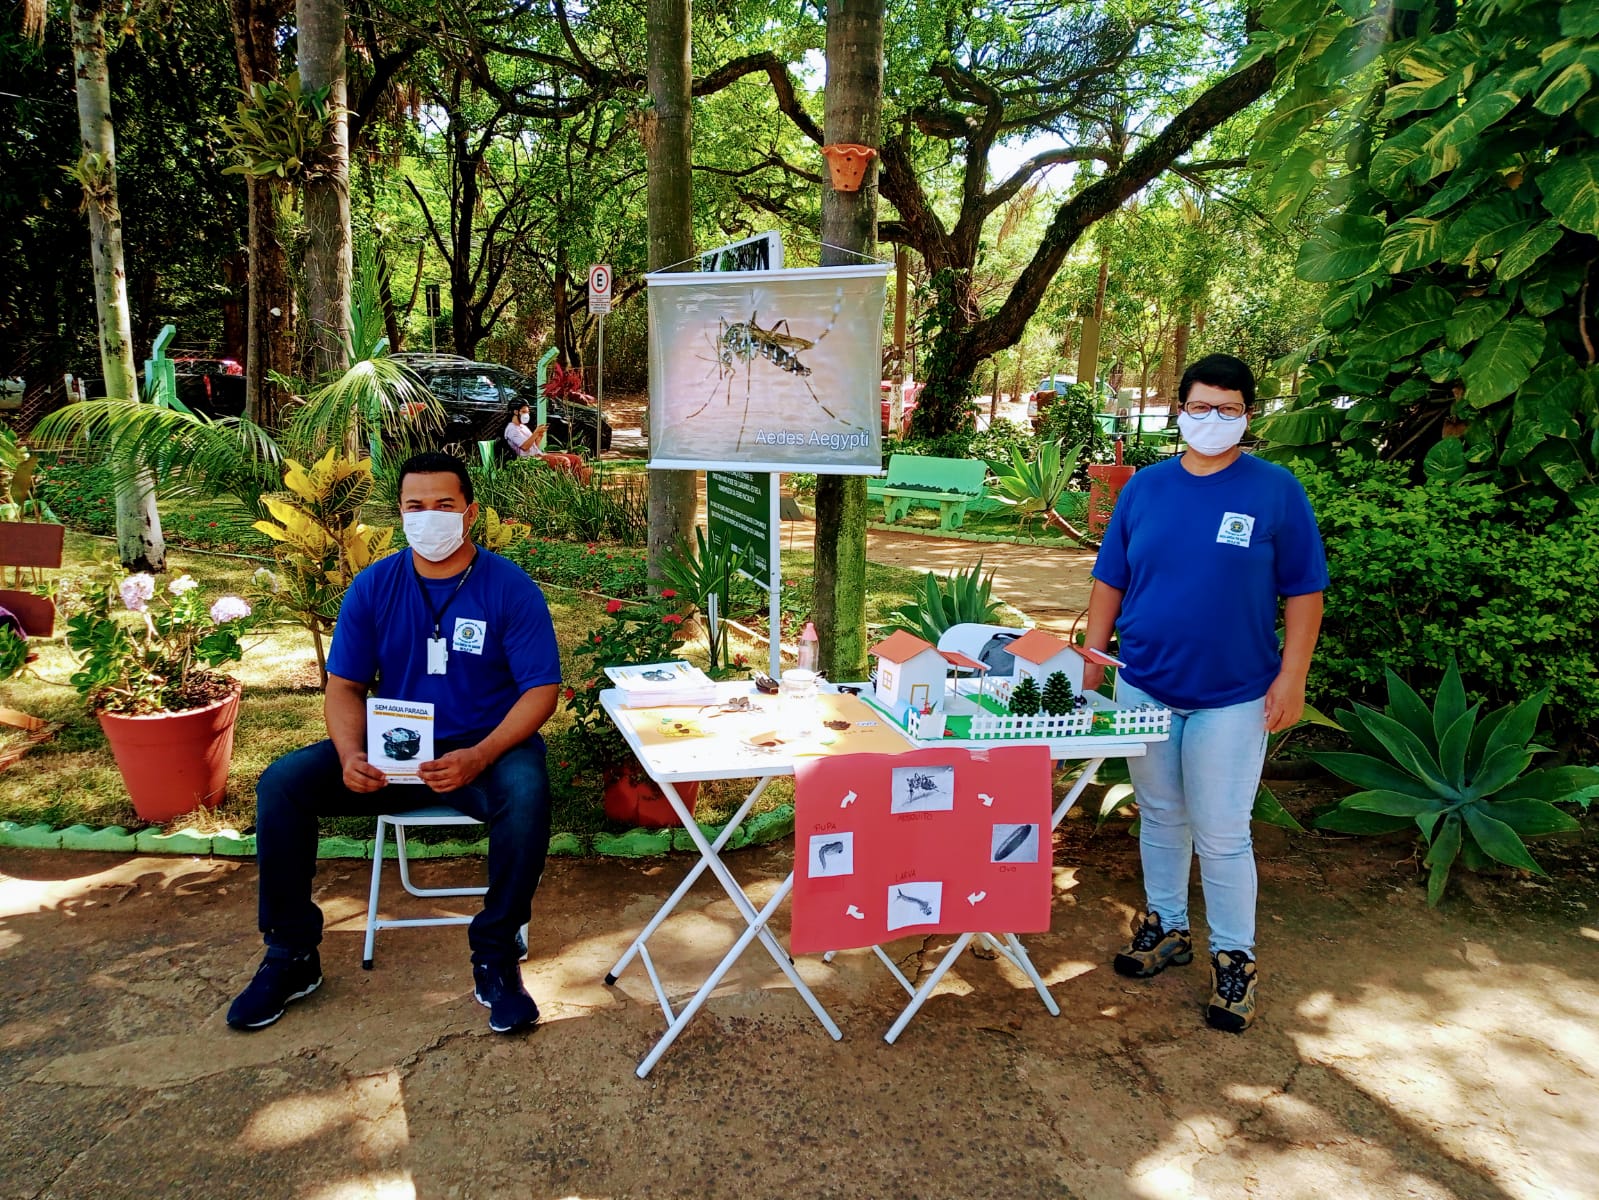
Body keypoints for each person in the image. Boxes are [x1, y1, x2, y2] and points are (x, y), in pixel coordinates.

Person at [228, 451, 561, 1036]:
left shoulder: (510, 588)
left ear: (470, 512)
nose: (428, 517)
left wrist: (481, 754)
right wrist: (352, 754)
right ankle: (292, 953)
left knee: (528, 792)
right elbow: (344, 686)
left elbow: (541, 691)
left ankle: (496, 953)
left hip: (486, 752)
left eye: (443, 505)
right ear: (400, 513)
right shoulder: (374, 586)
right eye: (415, 506)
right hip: (395, 752)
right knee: (284, 784)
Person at [1081, 353, 1328, 1033]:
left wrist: (1292, 675)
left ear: (1247, 414)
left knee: (1221, 834)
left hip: (1233, 694)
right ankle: (1165, 926)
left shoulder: (1275, 490)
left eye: (1226, 409)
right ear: (1178, 410)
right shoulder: (1146, 488)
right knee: (1160, 815)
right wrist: (1096, 661)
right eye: (1198, 407)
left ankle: (1233, 960)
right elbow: (1111, 577)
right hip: (1144, 684)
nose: (1210, 420)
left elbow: (1305, 591)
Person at [504, 401, 591, 482]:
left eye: (527, 412)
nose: (526, 415)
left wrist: (539, 436)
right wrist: (535, 433)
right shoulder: (512, 429)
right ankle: (563, 488)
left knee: (576, 459)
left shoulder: (523, 427)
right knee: (563, 461)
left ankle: (578, 486)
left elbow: (534, 447)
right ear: (515, 412)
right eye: (524, 412)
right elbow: (525, 447)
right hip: (529, 460)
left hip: (538, 455)